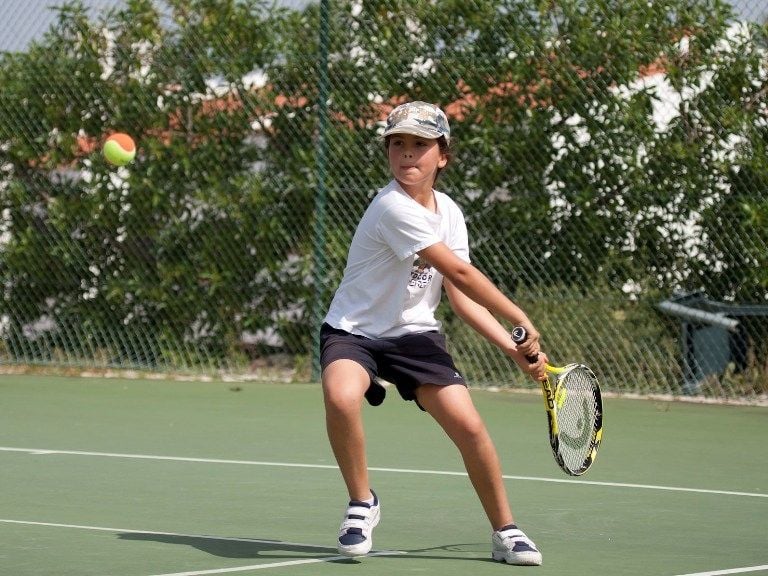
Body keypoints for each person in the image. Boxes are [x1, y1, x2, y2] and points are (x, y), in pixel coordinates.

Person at [319, 101, 548, 566]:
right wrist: (521, 318)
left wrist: (511, 346)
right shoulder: (390, 207)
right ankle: (362, 502)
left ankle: (506, 530)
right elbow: (462, 274)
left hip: (415, 336)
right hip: (354, 330)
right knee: (341, 395)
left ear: (442, 155)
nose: (407, 155)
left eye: (420, 145)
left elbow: (459, 300)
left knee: (469, 426)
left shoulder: (450, 213)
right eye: (397, 144)